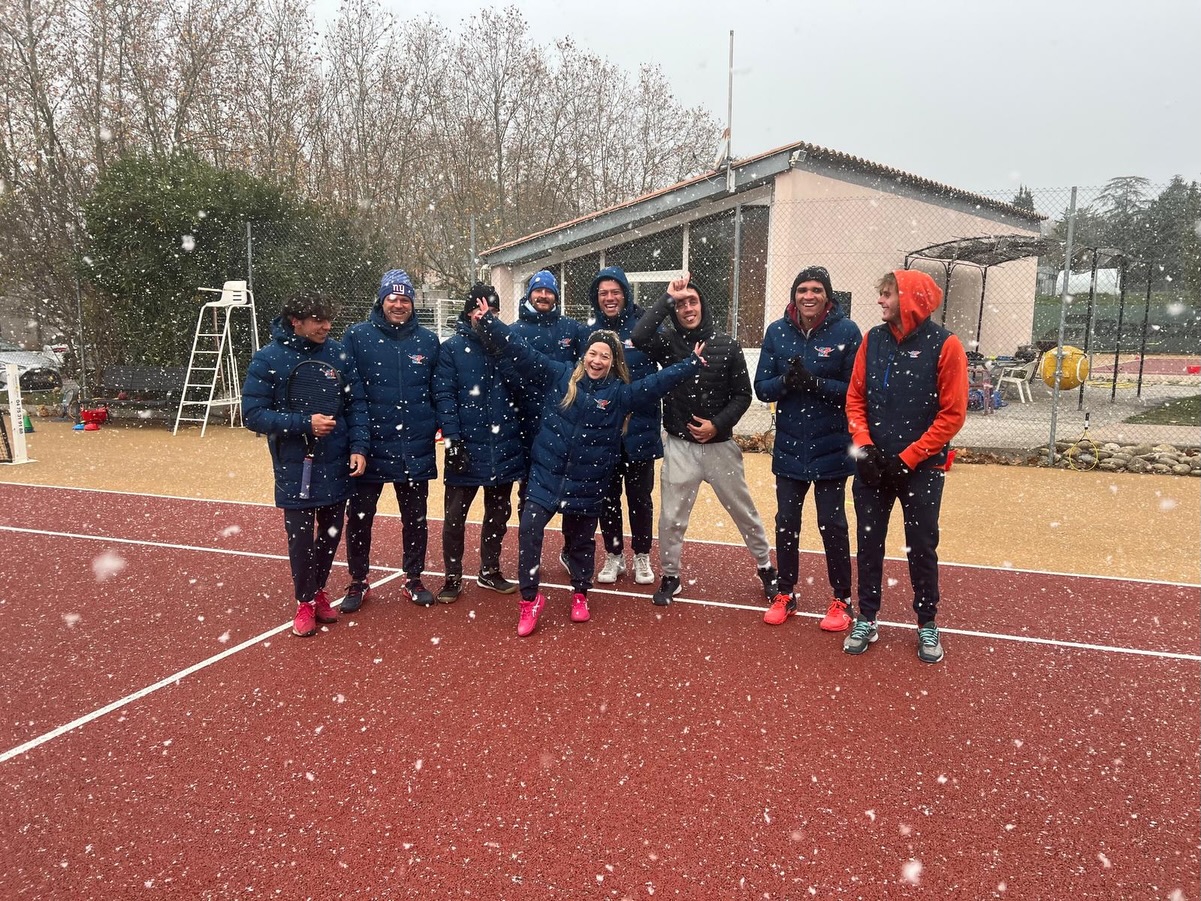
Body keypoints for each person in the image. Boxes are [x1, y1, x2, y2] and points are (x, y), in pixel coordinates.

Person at [474, 299, 707, 636]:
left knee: (581, 542)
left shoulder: (620, 395)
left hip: (588, 480)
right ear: (584, 354)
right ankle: (530, 600)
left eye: (605, 356)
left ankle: (580, 593)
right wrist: (491, 323)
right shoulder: (559, 375)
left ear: (614, 362)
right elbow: (522, 352)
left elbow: (656, 383)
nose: (597, 360)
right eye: (593, 353)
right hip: (546, 475)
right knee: (529, 531)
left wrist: (690, 364)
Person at [631, 271, 778, 606]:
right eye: (680, 304)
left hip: (720, 448)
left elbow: (742, 395)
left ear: (703, 305)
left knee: (744, 512)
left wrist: (716, 425)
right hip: (680, 447)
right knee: (671, 519)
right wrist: (667, 297)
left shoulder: (728, 344)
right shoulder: (668, 342)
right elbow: (639, 336)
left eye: (692, 302)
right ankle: (671, 576)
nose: (687, 308)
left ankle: (766, 567)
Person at [843, 269, 968, 663]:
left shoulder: (946, 345)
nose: (880, 300)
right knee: (868, 544)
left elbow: (952, 414)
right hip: (874, 467)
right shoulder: (872, 339)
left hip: (922, 470)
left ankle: (927, 622)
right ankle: (867, 617)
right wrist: (865, 447)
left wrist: (909, 458)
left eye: (887, 294)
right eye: (880, 293)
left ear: (910, 298)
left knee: (922, 547)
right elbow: (855, 399)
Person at [242, 292, 369, 638]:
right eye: (318, 320)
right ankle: (305, 601)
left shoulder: (338, 354)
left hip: (336, 460)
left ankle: (318, 591)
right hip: (293, 464)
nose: (326, 326)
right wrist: (304, 424)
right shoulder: (267, 359)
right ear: (295, 321)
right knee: (300, 538)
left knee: (331, 532)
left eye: (328, 319)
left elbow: (356, 405)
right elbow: (252, 414)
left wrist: (359, 446)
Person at [754, 266, 862, 631]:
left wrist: (815, 383)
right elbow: (762, 388)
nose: (808, 296)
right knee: (786, 523)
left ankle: (842, 600)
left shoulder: (847, 331)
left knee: (832, 523)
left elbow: (854, 391)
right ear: (794, 296)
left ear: (827, 296)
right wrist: (787, 381)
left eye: (816, 289)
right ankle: (785, 593)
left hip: (832, 447)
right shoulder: (777, 331)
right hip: (789, 448)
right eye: (802, 290)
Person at [340, 269, 440, 612]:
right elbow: (349, 394)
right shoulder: (356, 337)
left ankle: (413, 578)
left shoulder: (428, 341)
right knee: (360, 518)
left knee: (415, 518)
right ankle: (358, 580)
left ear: (413, 302)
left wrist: (436, 427)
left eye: (405, 299)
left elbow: (438, 391)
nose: (399, 305)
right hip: (369, 448)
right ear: (381, 300)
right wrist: (358, 444)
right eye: (392, 298)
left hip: (414, 448)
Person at [431, 284, 525, 603]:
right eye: (480, 311)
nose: (486, 317)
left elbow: (520, 387)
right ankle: (452, 576)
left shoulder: (507, 345)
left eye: (493, 312)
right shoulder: (451, 349)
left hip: (503, 448)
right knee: (454, 517)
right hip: (466, 448)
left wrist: (501, 351)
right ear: (468, 312)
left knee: (498, 514)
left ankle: (490, 570)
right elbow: (444, 396)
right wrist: (453, 441)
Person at [508, 269, 588, 570]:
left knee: (572, 491)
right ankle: (530, 554)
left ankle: (570, 551)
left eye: (548, 291)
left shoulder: (571, 328)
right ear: (529, 294)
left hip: (567, 427)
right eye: (538, 290)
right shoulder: (515, 331)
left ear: (556, 295)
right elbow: (510, 374)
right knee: (529, 493)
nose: (543, 296)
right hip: (528, 425)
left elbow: (587, 365)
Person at [588, 266, 660, 586]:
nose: (609, 298)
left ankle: (642, 554)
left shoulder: (645, 328)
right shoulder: (590, 332)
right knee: (607, 497)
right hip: (604, 432)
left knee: (640, 497)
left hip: (641, 429)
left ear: (625, 294)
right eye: (603, 293)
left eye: (615, 292)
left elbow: (666, 369)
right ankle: (614, 554)